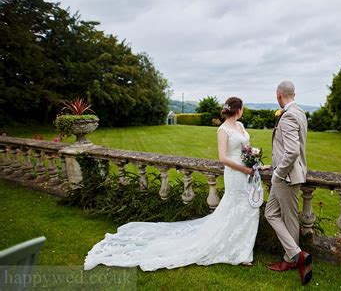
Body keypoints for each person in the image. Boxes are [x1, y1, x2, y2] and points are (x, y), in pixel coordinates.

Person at [84, 97, 259, 271]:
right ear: (238, 109)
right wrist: (243, 169)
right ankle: (239, 251)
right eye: (242, 108)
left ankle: (241, 245)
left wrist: (254, 161)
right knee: (236, 206)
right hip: (235, 174)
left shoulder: (241, 126)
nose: (243, 110)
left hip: (247, 171)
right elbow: (222, 158)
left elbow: (246, 148)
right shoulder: (223, 130)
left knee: (248, 207)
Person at [264, 80, 312, 285]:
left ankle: (294, 257)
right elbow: (288, 148)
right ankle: (296, 255)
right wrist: (273, 167)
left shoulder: (289, 115)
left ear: (278, 95)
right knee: (271, 213)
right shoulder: (300, 112)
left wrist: (278, 173)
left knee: (289, 218)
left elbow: (292, 151)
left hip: (287, 177)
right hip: (286, 174)